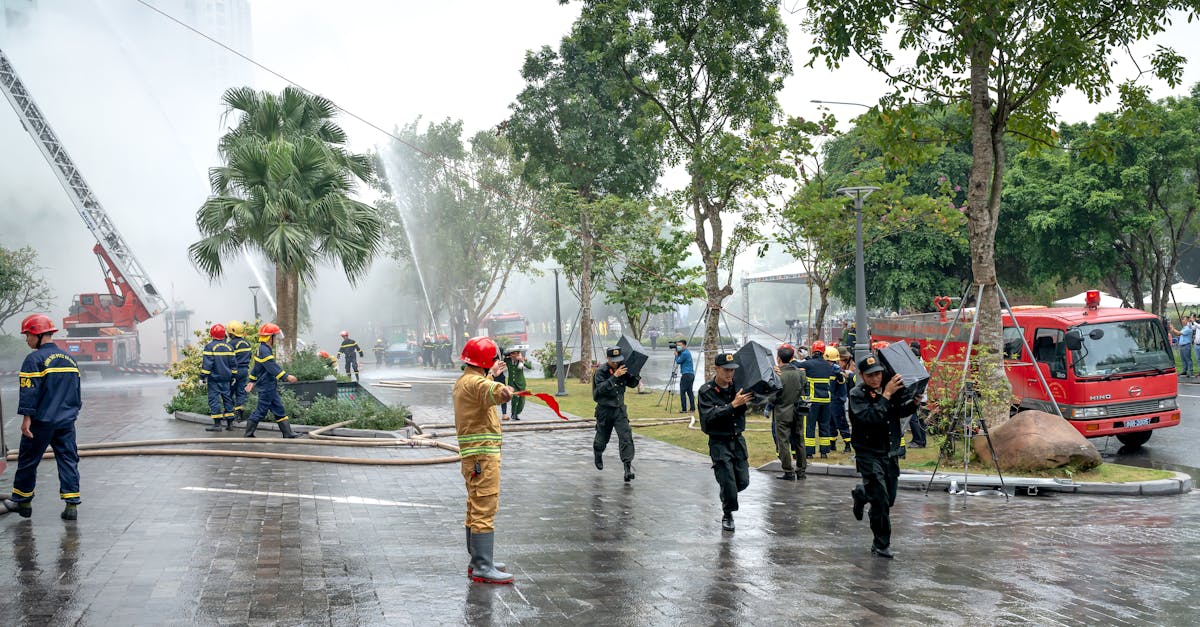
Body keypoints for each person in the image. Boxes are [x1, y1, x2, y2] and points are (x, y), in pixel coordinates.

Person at [1, 314, 83, 521]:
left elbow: (29, 391)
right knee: (68, 459)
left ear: (37, 334)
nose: (26, 340)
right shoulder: (69, 359)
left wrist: (26, 419)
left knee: (28, 459)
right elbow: (76, 391)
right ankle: (71, 505)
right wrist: (71, 414)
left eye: (27, 335)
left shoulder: (34, 359)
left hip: (41, 421)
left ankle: (22, 502)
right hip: (66, 421)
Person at [454, 336, 514, 584]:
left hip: (474, 457)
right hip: (483, 456)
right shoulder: (477, 384)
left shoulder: (465, 381)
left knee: (474, 504)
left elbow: (481, 387)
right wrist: (504, 390)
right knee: (485, 506)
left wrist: (491, 374)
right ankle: (482, 566)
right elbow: (491, 392)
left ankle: (478, 559)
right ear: (485, 360)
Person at [849, 353, 918, 559]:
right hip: (868, 453)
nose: (875, 379)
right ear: (861, 375)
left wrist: (914, 402)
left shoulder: (890, 388)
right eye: (870, 375)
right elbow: (869, 418)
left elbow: (897, 412)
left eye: (878, 374)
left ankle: (862, 493)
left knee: (889, 500)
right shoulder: (857, 395)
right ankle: (881, 544)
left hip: (889, 452)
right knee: (880, 500)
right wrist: (886, 396)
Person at [698, 352, 755, 531]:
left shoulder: (738, 386)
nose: (730, 374)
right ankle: (728, 514)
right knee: (728, 481)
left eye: (732, 370)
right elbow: (709, 417)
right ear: (716, 369)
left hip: (737, 440)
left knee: (743, 481)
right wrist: (732, 405)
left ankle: (727, 494)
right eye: (726, 370)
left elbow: (764, 395)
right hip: (719, 441)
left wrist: (774, 376)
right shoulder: (706, 391)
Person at [593, 346, 641, 482]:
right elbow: (601, 390)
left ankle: (627, 468)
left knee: (626, 437)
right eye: (613, 361)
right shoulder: (600, 372)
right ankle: (598, 452)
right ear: (607, 359)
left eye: (618, 360)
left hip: (619, 410)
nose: (616, 363)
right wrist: (614, 376)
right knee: (602, 438)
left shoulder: (623, 368)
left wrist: (636, 372)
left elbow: (631, 383)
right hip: (604, 410)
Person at [244, 323, 301, 439]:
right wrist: (287, 376)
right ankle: (248, 433)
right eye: (275, 336)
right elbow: (272, 367)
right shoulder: (265, 350)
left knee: (279, 408)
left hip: (269, 385)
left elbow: (256, 368)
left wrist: (251, 380)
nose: (276, 339)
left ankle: (287, 433)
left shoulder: (262, 349)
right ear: (270, 338)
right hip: (266, 386)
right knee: (261, 411)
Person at [770, 344, 807, 480]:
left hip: (782, 412)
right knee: (799, 441)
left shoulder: (778, 376)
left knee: (783, 442)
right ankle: (801, 471)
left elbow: (773, 397)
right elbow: (805, 389)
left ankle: (788, 471)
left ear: (778, 358)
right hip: (798, 411)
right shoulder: (801, 373)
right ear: (792, 357)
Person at [797, 340, 838, 458]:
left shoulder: (809, 364)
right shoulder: (828, 365)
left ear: (813, 350)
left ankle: (809, 453)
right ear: (824, 351)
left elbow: (796, 365)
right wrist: (808, 358)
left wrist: (802, 357)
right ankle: (824, 452)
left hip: (811, 401)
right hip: (826, 401)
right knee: (824, 425)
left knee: (809, 426)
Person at [200, 323, 237, 432]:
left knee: (214, 400)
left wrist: (202, 377)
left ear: (212, 334)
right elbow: (233, 363)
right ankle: (230, 424)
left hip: (214, 379)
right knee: (227, 399)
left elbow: (207, 364)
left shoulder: (210, 347)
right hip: (227, 379)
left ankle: (217, 425)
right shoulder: (229, 347)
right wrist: (234, 375)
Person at [228, 320, 252, 429]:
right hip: (244, 371)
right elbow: (250, 356)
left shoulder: (231, 344)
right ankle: (239, 415)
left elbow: (228, 359)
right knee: (241, 392)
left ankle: (229, 414)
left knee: (229, 392)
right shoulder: (246, 343)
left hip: (234, 372)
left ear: (232, 333)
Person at [905, 341, 927, 448]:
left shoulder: (917, 365)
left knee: (914, 419)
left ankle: (918, 441)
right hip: (921, 397)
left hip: (917, 397)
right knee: (920, 420)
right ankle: (920, 440)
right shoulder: (920, 363)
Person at [503, 347, 534, 421]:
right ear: (511, 355)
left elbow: (530, 367)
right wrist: (509, 354)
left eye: (518, 354)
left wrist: (522, 360)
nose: (516, 356)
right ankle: (514, 414)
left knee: (522, 400)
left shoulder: (522, 361)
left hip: (521, 383)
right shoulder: (508, 361)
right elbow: (503, 355)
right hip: (512, 384)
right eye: (514, 354)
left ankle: (518, 412)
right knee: (514, 398)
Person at [836, 347, 856, 453]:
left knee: (842, 422)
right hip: (834, 400)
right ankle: (831, 445)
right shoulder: (833, 369)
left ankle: (848, 444)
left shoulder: (850, 369)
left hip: (839, 401)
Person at [675, 339, 696, 414]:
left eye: (680, 345)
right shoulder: (686, 352)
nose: (678, 347)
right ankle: (692, 408)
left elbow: (678, 361)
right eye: (678, 345)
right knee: (689, 392)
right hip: (691, 374)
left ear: (684, 345)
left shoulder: (685, 354)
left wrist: (676, 355)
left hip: (686, 375)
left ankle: (684, 409)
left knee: (682, 392)